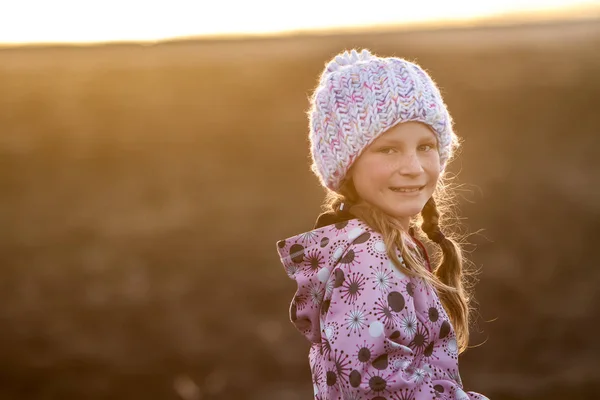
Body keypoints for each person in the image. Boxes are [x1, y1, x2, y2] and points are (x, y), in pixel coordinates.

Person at [275, 49, 488, 400]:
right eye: (388, 149)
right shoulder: (368, 258)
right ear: (347, 166)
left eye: (425, 146)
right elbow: (381, 383)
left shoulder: (389, 245)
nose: (413, 167)